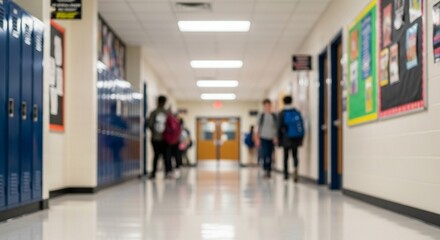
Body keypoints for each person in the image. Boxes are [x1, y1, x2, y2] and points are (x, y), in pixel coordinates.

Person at [278, 96, 305, 182]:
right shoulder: (296, 112)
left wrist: (279, 140)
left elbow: (279, 127)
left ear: (284, 102)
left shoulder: (282, 113)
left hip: (286, 137)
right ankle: (295, 169)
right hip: (296, 138)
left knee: (286, 156)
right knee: (295, 155)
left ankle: (286, 174)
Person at [148, 95, 170, 180]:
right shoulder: (167, 113)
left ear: (157, 101)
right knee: (166, 156)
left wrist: (155, 131)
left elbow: (150, 124)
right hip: (165, 139)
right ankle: (167, 173)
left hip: (156, 138)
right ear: (165, 102)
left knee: (156, 156)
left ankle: (153, 174)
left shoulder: (154, 112)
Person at [256, 99, 278, 178]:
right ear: (263, 106)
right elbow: (258, 127)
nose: (267, 107)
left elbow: (276, 127)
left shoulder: (274, 116)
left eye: (268, 105)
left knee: (270, 154)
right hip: (263, 137)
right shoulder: (261, 116)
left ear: (270, 106)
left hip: (272, 138)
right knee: (265, 154)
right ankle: (265, 169)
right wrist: (257, 138)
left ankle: (269, 170)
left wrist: (276, 137)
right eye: (265, 106)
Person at [163, 110, 182, 178]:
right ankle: (176, 170)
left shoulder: (167, 121)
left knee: (168, 157)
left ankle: (169, 171)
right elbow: (179, 132)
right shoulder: (177, 123)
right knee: (175, 156)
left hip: (167, 142)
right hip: (175, 142)